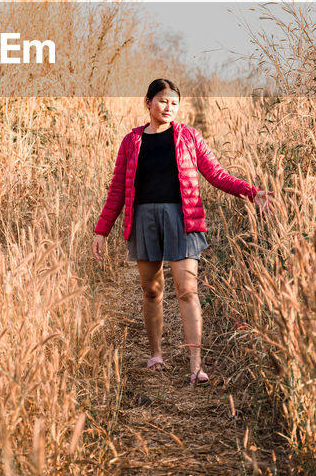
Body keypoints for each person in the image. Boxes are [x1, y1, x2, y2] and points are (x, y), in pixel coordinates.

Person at [91, 77, 272, 385]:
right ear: (148, 103)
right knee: (152, 290)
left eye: (174, 103)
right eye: (163, 101)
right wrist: (101, 230)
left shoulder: (189, 136)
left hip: (183, 218)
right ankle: (156, 354)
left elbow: (216, 174)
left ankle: (196, 365)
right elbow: (118, 190)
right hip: (144, 220)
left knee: (187, 291)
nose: (169, 107)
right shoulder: (131, 141)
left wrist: (253, 193)